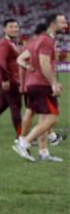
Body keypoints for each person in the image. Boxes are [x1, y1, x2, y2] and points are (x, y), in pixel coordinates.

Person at [13, 13, 66, 163]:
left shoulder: (40, 40)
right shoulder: (47, 40)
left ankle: (44, 153)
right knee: (52, 119)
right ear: (53, 24)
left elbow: (23, 59)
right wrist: (54, 83)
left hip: (35, 84)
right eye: (63, 22)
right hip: (42, 85)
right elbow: (44, 64)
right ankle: (24, 143)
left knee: (43, 118)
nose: (66, 25)